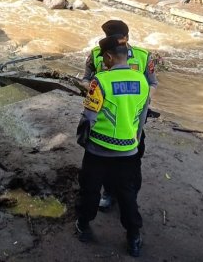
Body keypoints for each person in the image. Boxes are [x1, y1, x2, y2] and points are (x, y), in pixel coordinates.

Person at [76, 36, 149, 257]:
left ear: (108, 56)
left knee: (90, 189)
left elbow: (89, 117)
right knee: (127, 195)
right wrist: (135, 140)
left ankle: (83, 226)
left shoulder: (101, 81)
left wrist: (83, 140)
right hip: (128, 150)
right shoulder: (142, 80)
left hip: (98, 149)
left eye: (104, 58)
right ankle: (133, 237)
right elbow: (142, 117)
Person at [85, 20, 158, 210]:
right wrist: (94, 91)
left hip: (132, 120)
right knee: (105, 163)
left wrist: (140, 101)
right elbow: (86, 79)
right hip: (105, 120)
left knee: (132, 162)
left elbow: (152, 83)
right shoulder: (97, 54)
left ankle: (129, 198)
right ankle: (109, 193)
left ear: (126, 38)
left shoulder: (143, 56)